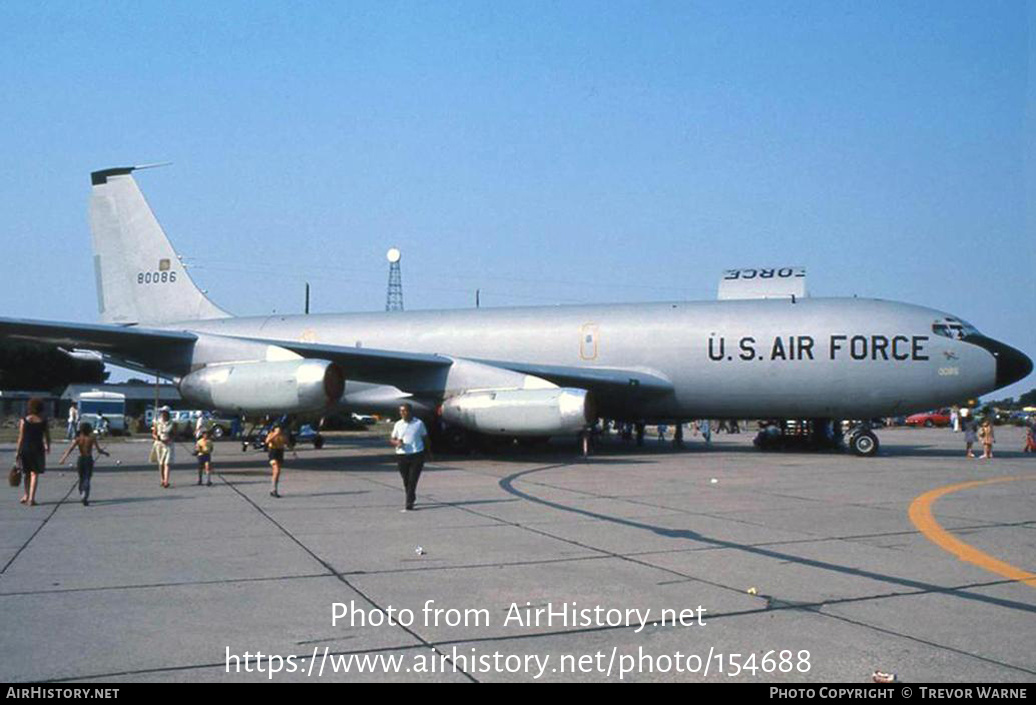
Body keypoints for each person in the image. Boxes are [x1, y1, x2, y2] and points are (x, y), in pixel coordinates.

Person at [390, 404, 430, 512]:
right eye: (401, 411)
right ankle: (411, 496)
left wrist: (428, 452)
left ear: (410, 412)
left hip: (417, 454)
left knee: (413, 480)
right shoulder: (398, 424)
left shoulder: (418, 423)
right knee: (406, 480)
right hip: (402, 455)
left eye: (405, 411)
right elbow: (392, 439)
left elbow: (425, 438)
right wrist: (397, 442)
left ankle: (409, 502)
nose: (402, 413)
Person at [59, 422, 108, 506]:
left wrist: (63, 458)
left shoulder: (78, 439)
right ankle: (85, 495)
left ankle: (82, 492)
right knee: (87, 478)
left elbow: (70, 449)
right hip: (89, 459)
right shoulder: (92, 438)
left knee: (81, 478)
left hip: (81, 459)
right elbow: (99, 450)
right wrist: (105, 453)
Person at [15, 398, 50, 506]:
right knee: (35, 474)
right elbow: (47, 436)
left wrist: (17, 451)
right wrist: (48, 446)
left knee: (26, 473)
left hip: (25, 448)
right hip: (38, 448)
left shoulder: (24, 420)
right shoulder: (43, 421)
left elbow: (20, 438)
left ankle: (26, 495)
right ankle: (31, 498)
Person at [152, 408, 175, 488]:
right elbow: (154, 434)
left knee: (167, 463)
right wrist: (157, 438)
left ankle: (166, 481)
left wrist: (170, 439)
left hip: (169, 444)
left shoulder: (172, 423)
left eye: (165, 413)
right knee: (161, 463)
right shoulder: (157, 422)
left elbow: (175, 434)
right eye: (162, 413)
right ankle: (162, 479)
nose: (163, 414)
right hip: (159, 444)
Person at [265, 424, 288, 497]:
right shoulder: (271, 434)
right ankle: (274, 489)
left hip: (280, 452)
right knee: (276, 469)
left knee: (276, 473)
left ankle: (274, 489)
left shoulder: (282, 435)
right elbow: (267, 441)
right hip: (273, 452)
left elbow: (286, 442)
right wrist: (275, 434)